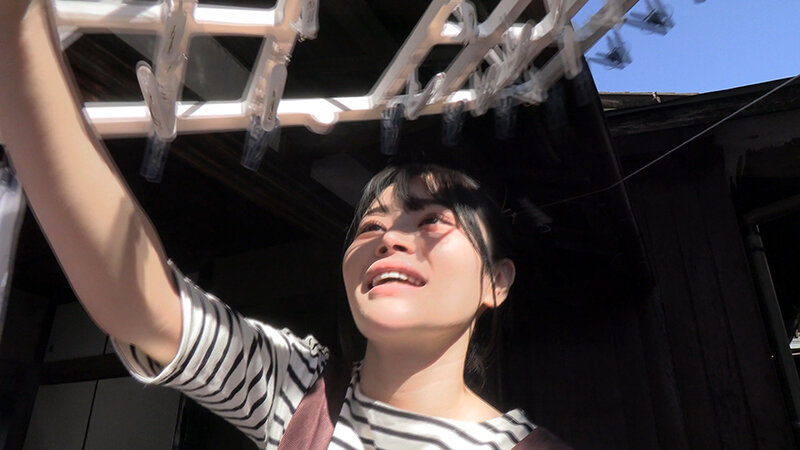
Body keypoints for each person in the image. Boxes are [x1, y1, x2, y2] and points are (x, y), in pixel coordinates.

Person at [0, 1, 570, 448]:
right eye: (370, 227)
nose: (390, 239)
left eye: (432, 221)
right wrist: (18, 29)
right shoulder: (299, 392)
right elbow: (142, 304)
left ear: (497, 281)